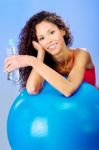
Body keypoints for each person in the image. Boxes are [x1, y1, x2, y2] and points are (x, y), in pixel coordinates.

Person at [4, 10, 97, 97]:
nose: (49, 40)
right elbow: (33, 89)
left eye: (52, 32)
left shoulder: (82, 54)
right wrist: (40, 53)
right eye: (42, 38)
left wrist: (31, 61)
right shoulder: (45, 65)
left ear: (62, 31)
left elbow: (68, 89)